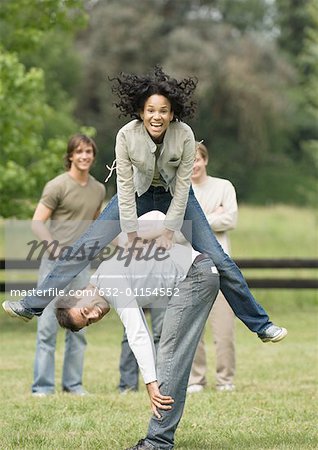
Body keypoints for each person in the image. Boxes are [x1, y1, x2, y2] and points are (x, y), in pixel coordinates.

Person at [2, 65, 287, 347]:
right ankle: (32, 305)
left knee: (219, 258)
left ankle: (261, 325)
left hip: (175, 195)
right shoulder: (126, 135)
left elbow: (184, 186)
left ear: (172, 113)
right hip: (137, 194)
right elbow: (125, 187)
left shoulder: (185, 135)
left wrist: (168, 230)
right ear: (141, 112)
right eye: (151, 110)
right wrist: (132, 234)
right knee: (83, 248)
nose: (157, 116)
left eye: (163, 110)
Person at [30, 134, 105, 396]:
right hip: (54, 266)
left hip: (81, 266)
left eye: (89, 152)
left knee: (79, 324)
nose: (85, 156)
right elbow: (37, 222)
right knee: (47, 327)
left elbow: (96, 226)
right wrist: (53, 248)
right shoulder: (56, 185)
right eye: (79, 152)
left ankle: (74, 385)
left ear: (93, 156)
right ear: (70, 156)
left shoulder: (98, 189)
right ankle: (42, 387)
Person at [187, 142, 237, 393]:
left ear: (205, 160)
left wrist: (199, 219)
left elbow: (231, 219)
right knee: (194, 330)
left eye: (197, 159)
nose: (194, 164)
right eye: (189, 160)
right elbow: (179, 227)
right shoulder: (181, 190)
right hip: (191, 267)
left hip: (221, 268)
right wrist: (212, 216)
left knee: (224, 331)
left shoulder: (223, 186)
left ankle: (225, 380)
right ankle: (196, 379)